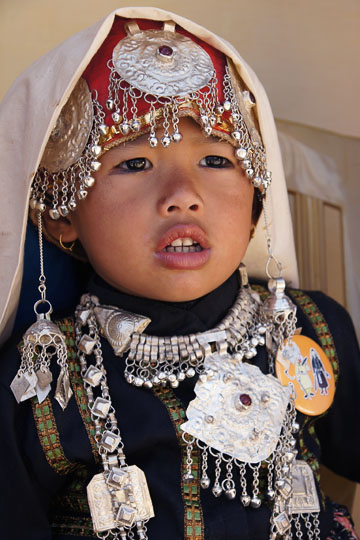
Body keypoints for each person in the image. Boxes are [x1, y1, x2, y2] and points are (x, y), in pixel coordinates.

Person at [0, 7, 359, 540]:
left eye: (215, 161)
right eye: (134, 163)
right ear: (61, 213)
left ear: (257, 201)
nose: (183, 197)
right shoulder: (41, 386)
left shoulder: (313, 330)